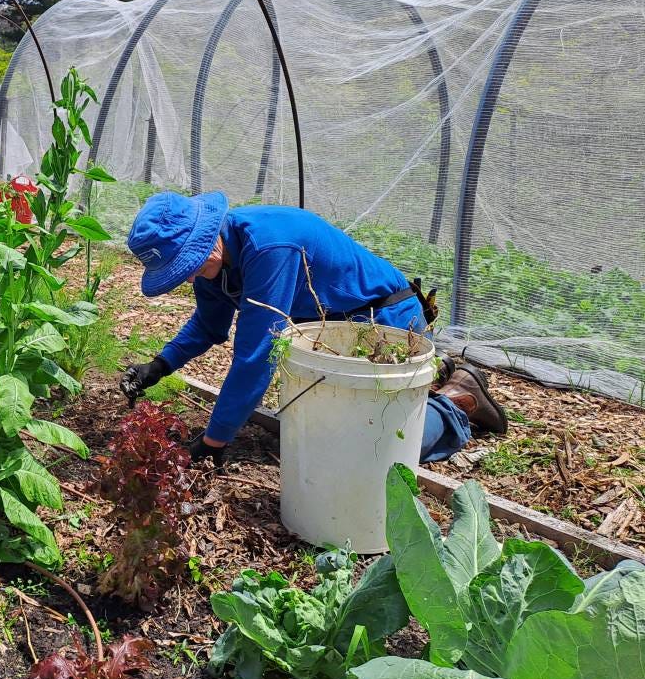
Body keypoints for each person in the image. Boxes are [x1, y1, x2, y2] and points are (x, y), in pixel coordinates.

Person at [119, 192, 506, 471]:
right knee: (322, 434)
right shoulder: (215, 261)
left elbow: (255, 356)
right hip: (330, 330)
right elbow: (208, 323)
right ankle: (423, 383)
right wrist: (159, 366)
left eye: (188, 263)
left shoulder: (268, 247)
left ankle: (456, 401)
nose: (188, 275)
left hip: (383, 322)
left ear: (205, 236)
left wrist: (212, 442)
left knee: (370, 449)